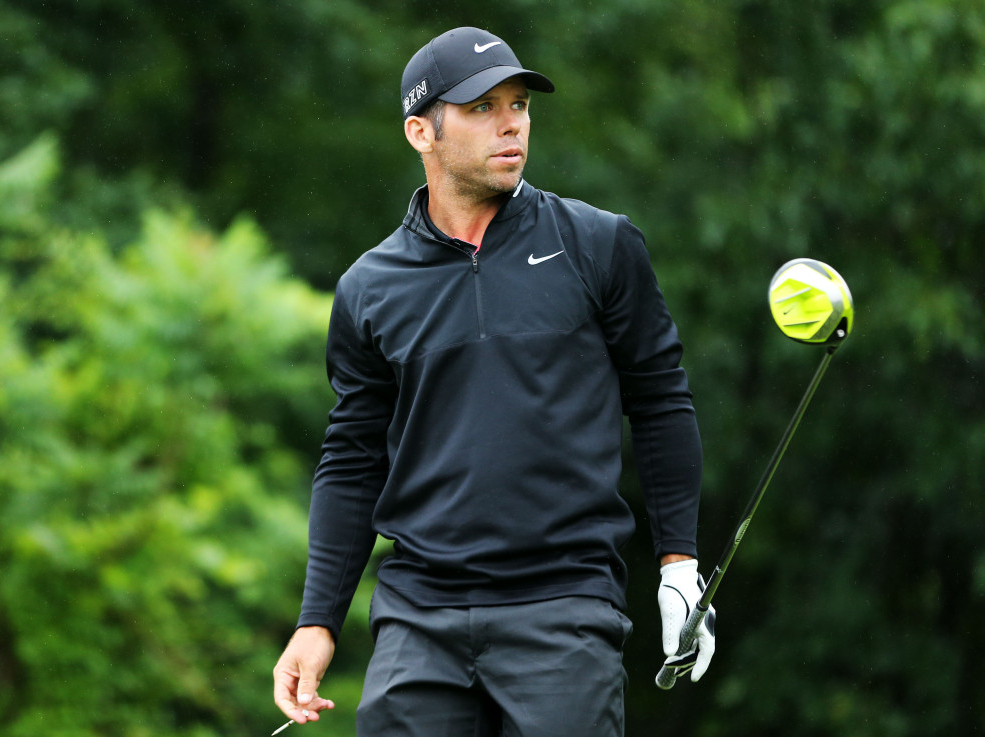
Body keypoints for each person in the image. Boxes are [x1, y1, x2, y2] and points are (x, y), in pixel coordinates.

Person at [273, 26, 715, 737]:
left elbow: (661, 400)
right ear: (422, 131)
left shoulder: (597, 244)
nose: (511, 122)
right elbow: (353, 458)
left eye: (519, 104)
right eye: (482, 107)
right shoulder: (369, 287)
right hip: (418, 617)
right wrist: (318, 620)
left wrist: (678, 564)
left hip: (563, 608)